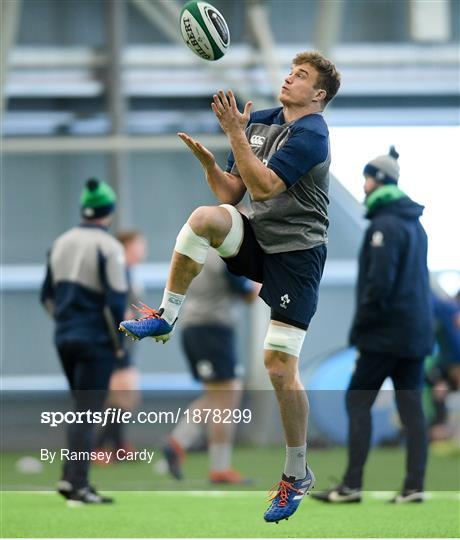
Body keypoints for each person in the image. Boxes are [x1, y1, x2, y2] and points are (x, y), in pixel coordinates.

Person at [120, 50, 341, 522]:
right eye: (289, 70)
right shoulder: (259, 120)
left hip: (298, 256)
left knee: (278, 367)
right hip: (259, 238)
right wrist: (209, 165)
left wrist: (235, 135)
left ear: (318, 94)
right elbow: (232, 194)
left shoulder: (312, 134)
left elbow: (264, 188)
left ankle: (296, 472)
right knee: (204, 217)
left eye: (300, 76)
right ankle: (165, 315)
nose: (289, 78)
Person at [312, 147, 434, 505]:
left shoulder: (384, 225)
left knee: (357, 400)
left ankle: (351, 486)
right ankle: (414, 486)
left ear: (378, 181)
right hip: (415, 335)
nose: (363, 185)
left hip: (384, 336)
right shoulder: (415, 224)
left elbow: (378, 287)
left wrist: (360, 331)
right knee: (412, 409)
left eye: (367, 177)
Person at [40, 178, 128, 504]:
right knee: (89, 411)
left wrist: (66, 324)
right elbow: (116, 301)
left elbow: (46, 296)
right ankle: (76, 483)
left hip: (65, 337)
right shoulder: (109, 247)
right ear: (109, 211)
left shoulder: (61, 242)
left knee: (81, 408)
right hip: (94, 339)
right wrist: (119, 341)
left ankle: (73, 479)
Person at [162, 248, 258, 483]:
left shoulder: (197, 250)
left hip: (195, 327)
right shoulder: (226, 256)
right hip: (212, 329)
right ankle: (219, 467)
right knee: (227, 397)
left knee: (219, 396)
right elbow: (249, 294)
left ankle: (178, 442)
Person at [94, 230, 147, 459]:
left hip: (123, 343)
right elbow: (112, 308)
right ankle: (99, 447)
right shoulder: (117, 272)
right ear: (126, 247)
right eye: (138, 245)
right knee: (123, 395)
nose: (143, 249)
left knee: (124, 396)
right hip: (113, 343)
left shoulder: (128, 272)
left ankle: (116, 444)